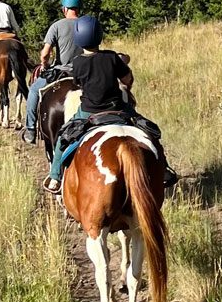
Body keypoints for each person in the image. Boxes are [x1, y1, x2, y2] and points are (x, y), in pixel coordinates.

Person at [42, 14, 173, 194]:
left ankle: (55, 176)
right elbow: (127, 78)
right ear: (99, 35)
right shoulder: (112, 57)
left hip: (89, 112)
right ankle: (164, 168)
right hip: (118, 109)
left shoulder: (78, 62)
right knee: (149, 130)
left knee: (63, 138)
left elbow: (78, 83)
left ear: (79, 38)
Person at [22, 0, 83, 145]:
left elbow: (45, 54)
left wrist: (45, 64)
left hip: (61, 71)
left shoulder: (57, 26)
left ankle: (30, 129)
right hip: (84, 72)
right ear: (79, 8)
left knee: (34, 90)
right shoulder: (87, 24)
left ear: (64, 9)